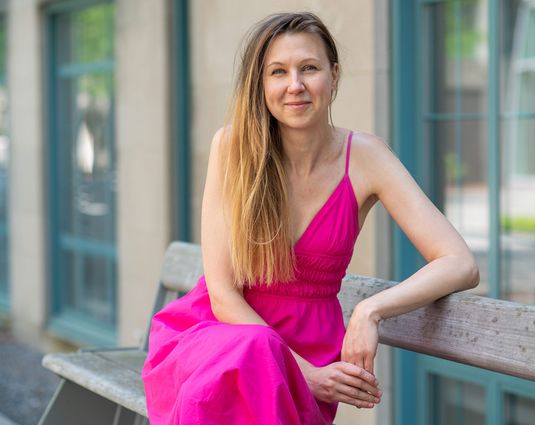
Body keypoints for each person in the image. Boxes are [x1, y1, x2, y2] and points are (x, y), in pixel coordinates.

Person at [141, 11, 479, 425]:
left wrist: (370, 310)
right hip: (221, 341)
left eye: (310, 68)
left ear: (333, 76)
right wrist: (305, 375)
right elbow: (223, 294)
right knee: (251, 353)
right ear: (261, 84)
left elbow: (460, 263)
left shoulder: (367, 158)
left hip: (312, 350)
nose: (294, 85)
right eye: (278, 72)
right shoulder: (233, 148)